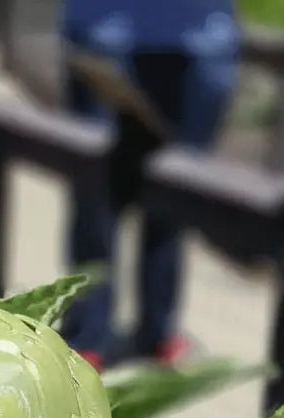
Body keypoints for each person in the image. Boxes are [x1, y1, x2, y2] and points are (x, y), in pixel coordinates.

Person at [59, 0, 240, 370]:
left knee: (175, 197)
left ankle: (158, 331)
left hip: (203, 36)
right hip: (103, 30)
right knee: (96, 195)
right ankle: (87, 336)